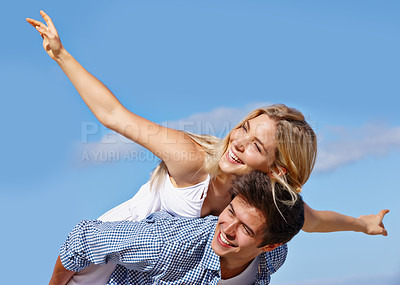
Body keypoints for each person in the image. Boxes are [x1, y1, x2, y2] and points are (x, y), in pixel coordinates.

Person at [26, 10, 389, 285]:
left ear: (276, 168)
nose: (238, 142)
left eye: (256, 146)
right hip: (104, 253)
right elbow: (114, 116)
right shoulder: (191, 158)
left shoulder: (263, 204)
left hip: (158, 270)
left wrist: (363, 224)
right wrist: (61, 55)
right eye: (243, 128)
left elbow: (316, 221)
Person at [50, 171, 305, 285]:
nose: (227, 229)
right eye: (230, 212)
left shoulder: (273, 257)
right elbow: (83, 239)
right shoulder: (169, 245)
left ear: (270, 245)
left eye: (246, 230)